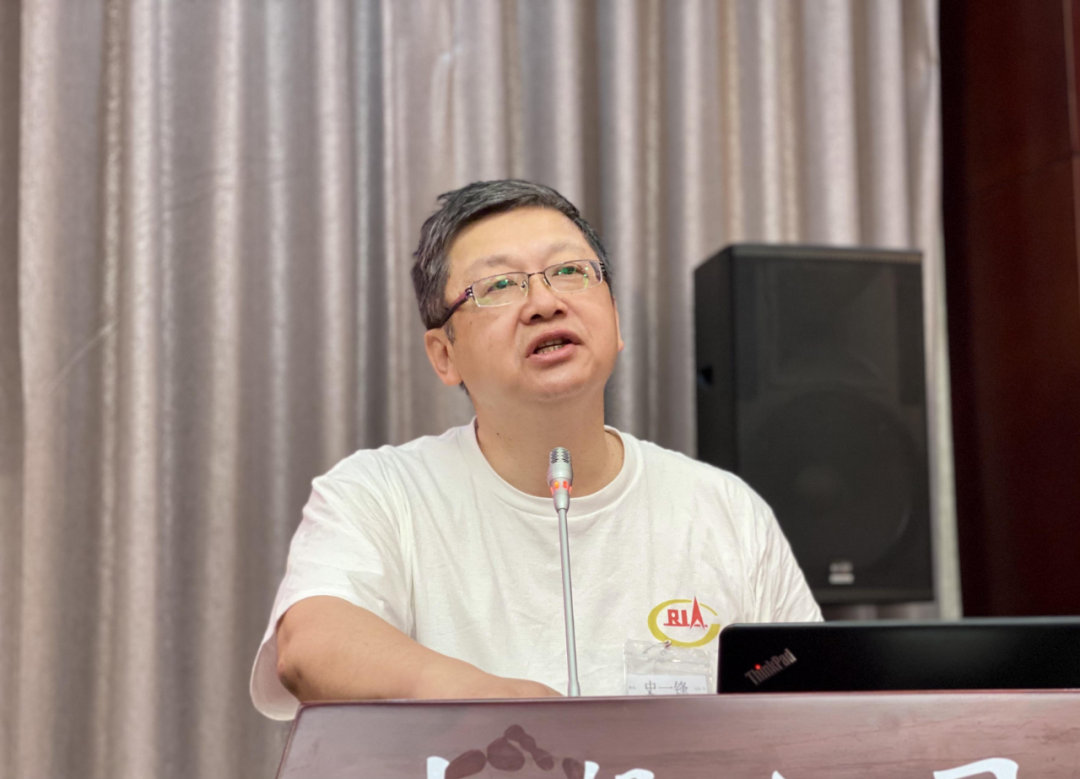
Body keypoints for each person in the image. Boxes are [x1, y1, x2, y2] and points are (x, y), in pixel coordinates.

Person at [250, 179, 821, 720]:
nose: (545, 303)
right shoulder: (378, 493)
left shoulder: (724, 508)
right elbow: (310, 646)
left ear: (616, 319)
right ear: (444, 355)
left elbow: (817, 703)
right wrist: (502, 709)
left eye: (570, 272)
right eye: (499, 285)